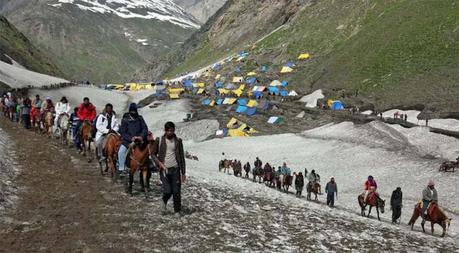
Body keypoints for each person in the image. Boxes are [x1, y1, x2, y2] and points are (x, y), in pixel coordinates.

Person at [151, 121, 186, 214]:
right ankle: (164, 201)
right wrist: (159, 163)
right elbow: (153, 154)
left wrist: (183, 173)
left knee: (176, 191)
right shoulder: (159, 140)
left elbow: (181, 157)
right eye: (169, 131)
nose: (170, 132)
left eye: (172, 131)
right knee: (167, 191)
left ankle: (177, 211)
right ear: (165, 131)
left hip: (175, 169)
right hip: (164, 170)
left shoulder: (178, 141)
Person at [117, 103, 148, 175]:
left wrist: (141, 136)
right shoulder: (125, 120)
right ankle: (122, 168)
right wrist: (131, 138)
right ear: (130, 111)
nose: (134, 113)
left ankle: (150, 164)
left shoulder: (140, 118)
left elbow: (144, 128)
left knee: (149, 149)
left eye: (135, 111)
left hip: (140, 140)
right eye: (132, 111)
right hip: (128, 141)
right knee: (121, 152)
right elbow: (123, 132)